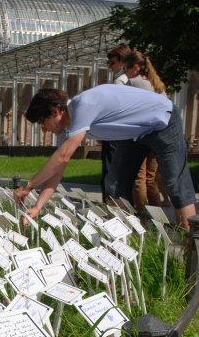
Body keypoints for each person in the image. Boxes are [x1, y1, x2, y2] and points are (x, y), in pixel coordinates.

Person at [13, 87, 196, 231]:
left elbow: (62, 157)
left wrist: (28, 186)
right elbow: (57, 170)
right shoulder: (67, 130)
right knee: (114, 184)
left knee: (175, 184)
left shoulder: (84, 106)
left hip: (162, 121)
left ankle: (190, 252)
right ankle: (124, 242)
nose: (44, 130)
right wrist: (37, 206)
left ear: (54, 111)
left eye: (42, 123)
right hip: (133, 134)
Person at [121, 51, 171, 211]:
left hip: (140, 135)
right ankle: (158, 219)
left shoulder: (133, 83)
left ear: (135, 67)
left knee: (139, 178)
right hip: (158, 135)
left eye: (126, 69)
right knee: (151, 178)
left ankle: (141, 219)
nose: (124, 73)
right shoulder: (156, 83)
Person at [100, 44, 132, 200]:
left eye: (112, 62)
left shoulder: (120, 81)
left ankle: (110, 207)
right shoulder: (129, 79)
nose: (110, 66)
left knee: (110, 173)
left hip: (115, 134)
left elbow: (117, 110)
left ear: (122, 62)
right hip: (126, 134)